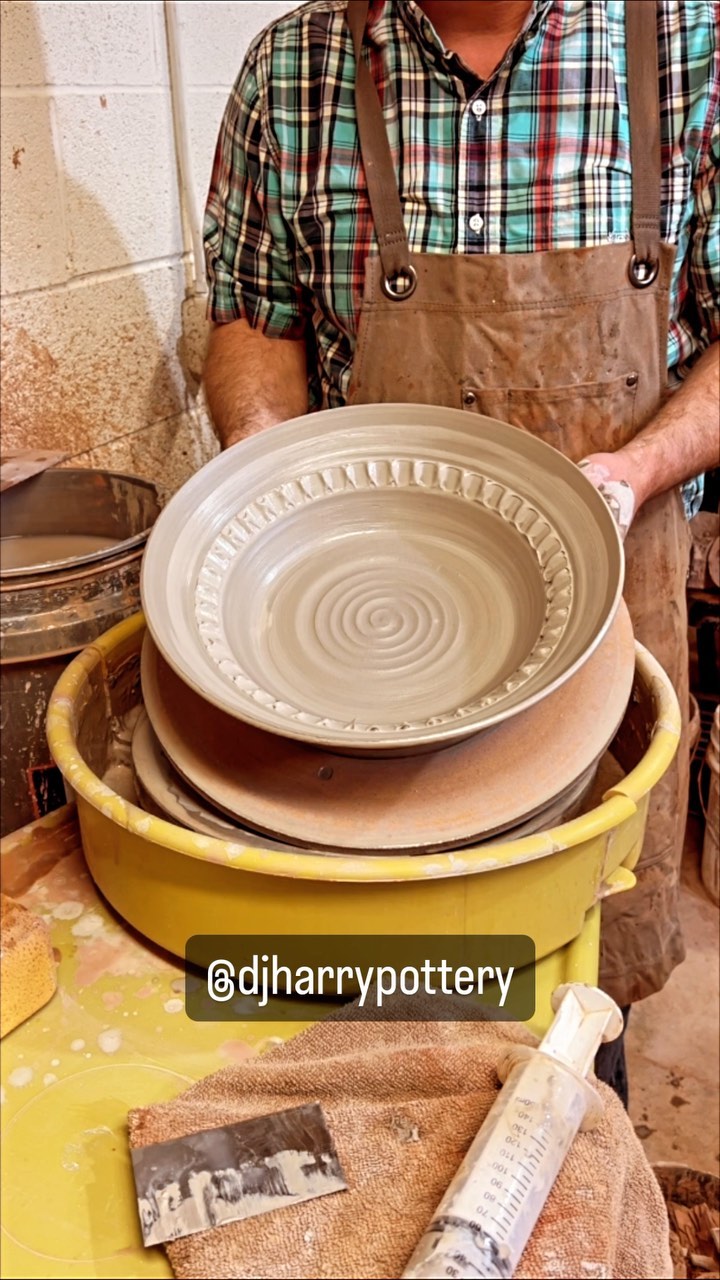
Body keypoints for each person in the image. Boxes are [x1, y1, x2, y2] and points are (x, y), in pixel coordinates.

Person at [202, 0, 720, 1102]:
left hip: (611, 606)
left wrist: (635, 470)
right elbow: (257, 319)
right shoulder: (295, 70)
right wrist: (260, 463)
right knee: (384, 1009)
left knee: (571, 1016)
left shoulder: (690, 45)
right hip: (370, 652)